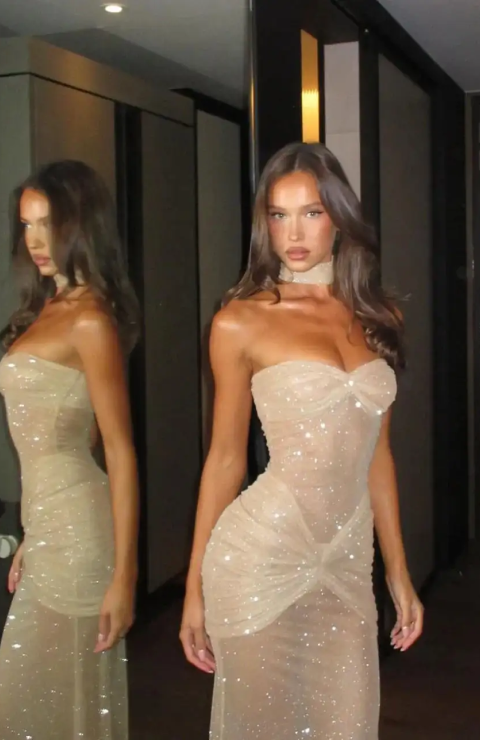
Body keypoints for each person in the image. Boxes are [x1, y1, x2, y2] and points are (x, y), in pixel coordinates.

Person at [180, 142, 424, 739]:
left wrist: (398, 572)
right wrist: (193, 588)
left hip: (346, 564)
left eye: (311, 212)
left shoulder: (379, 316)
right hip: (260, 558)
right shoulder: (241, 319)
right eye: (278, 214)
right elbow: (225, 459)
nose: (293, 232)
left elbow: (377, 457)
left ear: (338, 217)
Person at [0, 160, 140, 739]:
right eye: (26, 225)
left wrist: (125, 577)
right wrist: (34, 535)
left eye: (48, 224)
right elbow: (64, 439)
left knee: (49, 699)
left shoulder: (89, 318)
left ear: (80, 225)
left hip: (80, 537)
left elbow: (119, 451)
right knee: (37, 701)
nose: (34, 240)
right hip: (50, 527)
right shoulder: (47, 308)